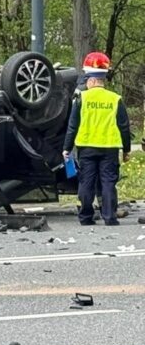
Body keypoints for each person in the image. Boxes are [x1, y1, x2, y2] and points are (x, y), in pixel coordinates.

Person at [62, 52, 132, 226]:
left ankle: (86, 217)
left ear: (92, 80)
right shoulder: (115, 99)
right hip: (109, 148)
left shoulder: (82, 98)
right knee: (108, 182)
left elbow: (73, 125)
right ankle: (110, 217)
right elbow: (124, 127)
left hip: (86, 147)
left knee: (86, 182)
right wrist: (127, 149)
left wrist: (67, 148)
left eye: (87, 80)